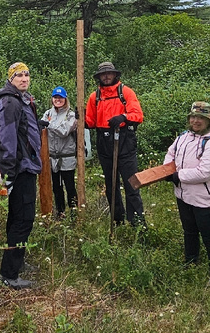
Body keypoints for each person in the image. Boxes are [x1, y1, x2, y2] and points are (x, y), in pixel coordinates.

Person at [163, 102, 210, 285]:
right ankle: (191, 262)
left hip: (206, 199)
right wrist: (168, 170)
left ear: (208, 120)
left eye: (200, 117)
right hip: (184, 195)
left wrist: (177, 176)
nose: (195, 121)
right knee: (189, 231)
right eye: (192, 117)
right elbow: (171, 153)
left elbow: (205, 172)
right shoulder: (184, 137)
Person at [0, 62, 42, 289]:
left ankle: (18, 262)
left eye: (26, 74)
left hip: (26, 167)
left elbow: (22, 131)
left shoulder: (21, 100)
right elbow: (8, 140)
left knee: (17, 218)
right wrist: (9, 175)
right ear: (11, 79)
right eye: (19, 75)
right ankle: (9, 274)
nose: (24, 78)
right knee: (23, 220)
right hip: (19, 169)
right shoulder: (10, 102)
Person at [84, 61, 145, 227]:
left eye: (108, 73)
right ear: (99, 77)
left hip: (125, 142)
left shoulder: (125, 92)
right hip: (105, 144)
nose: (106, 76)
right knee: (111, 185)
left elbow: (138, 115)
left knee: (131, 184)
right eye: (103, 74)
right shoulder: (94, 96)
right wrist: (81, 118)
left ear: (115, 75)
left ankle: (137, 223)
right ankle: (117, 220)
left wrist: (124, 117)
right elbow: (91, 121)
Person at [41, 86, 79, 217]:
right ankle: (60, 212)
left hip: (67, 157)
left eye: (60, 97)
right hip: (52, 157)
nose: (58, 100)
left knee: (70, 186)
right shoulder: (48, 114)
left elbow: (64, 131)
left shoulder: (71, 115)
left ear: (65, 99)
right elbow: (42, 130)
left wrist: (49, 124)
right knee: (56, 187)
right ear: (52, 99)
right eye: (55, 97)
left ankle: (74, 213)